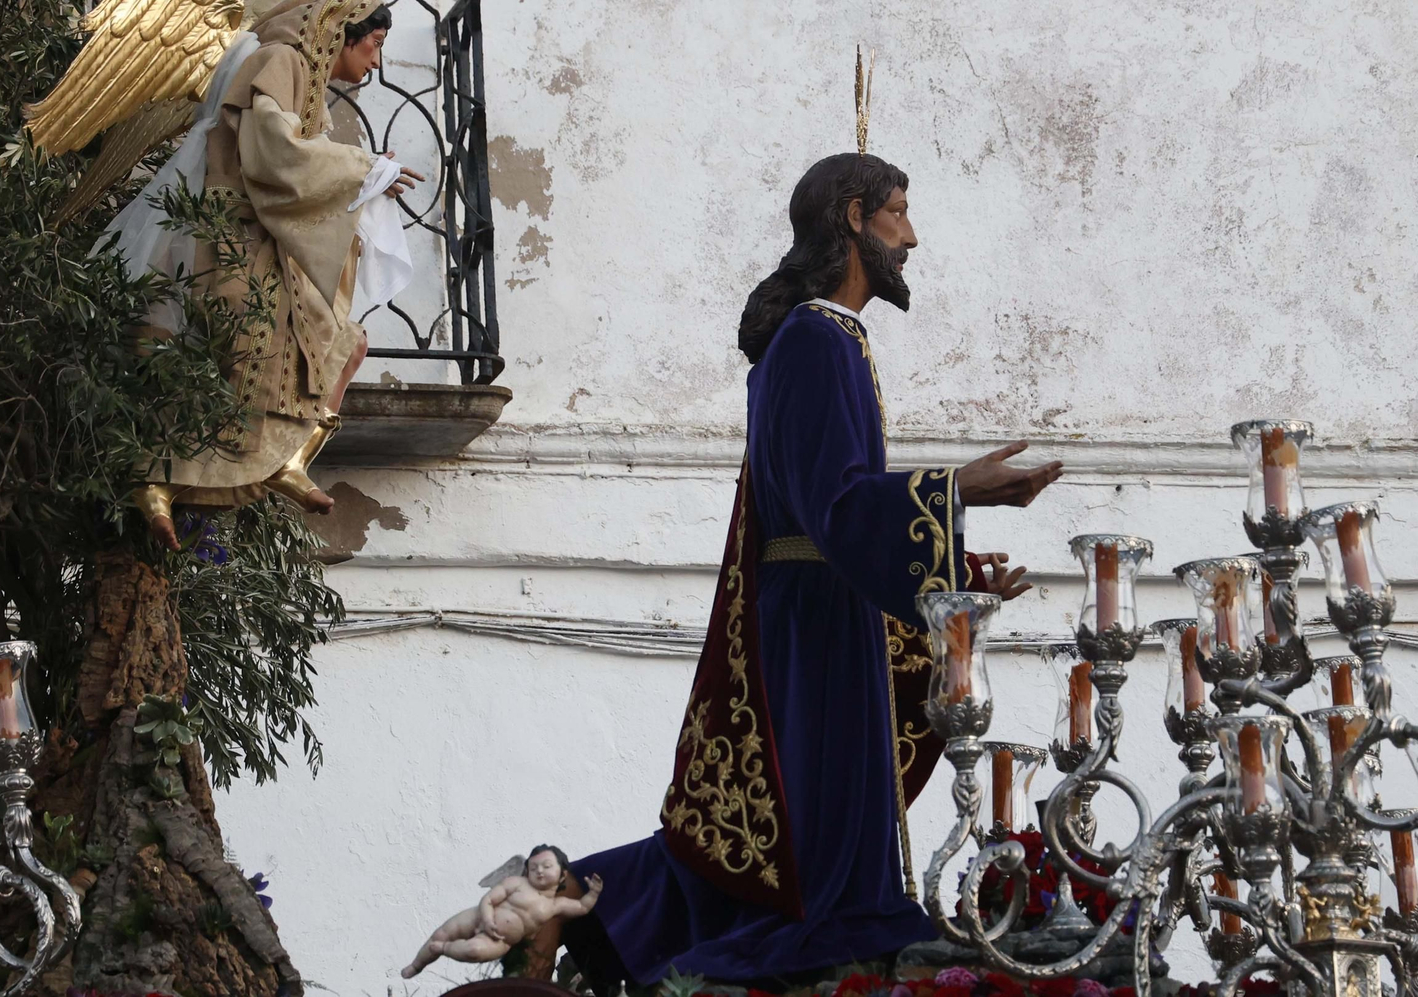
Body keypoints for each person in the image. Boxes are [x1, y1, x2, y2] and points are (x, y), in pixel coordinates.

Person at [561, 153, 1063, 988]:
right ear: (856, 217)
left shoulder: (833, 342)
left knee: (797, 842)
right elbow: (832, 504)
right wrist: (954, 488)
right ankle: (574, 901)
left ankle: (579, 906)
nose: (913, 236)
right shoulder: (812, 342)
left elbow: (843, 508)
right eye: (899, 214)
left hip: (832, 612)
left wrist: (960, 564)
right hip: (812, 629)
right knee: (803, 849)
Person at [123, 0, 424, 548]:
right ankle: (155, 482)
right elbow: (276, 153)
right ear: (342, 32)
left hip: (263, 246)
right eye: (376, 44)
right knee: (228, 368)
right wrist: (363, 169)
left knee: (336, 348)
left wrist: (362, 177)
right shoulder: (282, 60)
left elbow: (302, 167)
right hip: (237, 244)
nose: (377, 62)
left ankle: (282, 463)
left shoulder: (300, 75)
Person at [401, 846, 603, 979]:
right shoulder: (517, 882)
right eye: (533, 867)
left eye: (547, 866)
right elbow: (490, 899)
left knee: (474, 951)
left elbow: (582, 907)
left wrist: (593, 893)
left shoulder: (555, 905)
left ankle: (443, 948)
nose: (539, 870)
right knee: (443, 931)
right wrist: (487, 919)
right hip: (479, 916)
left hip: (501, 940)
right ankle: (417, 965)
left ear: (562, 875)